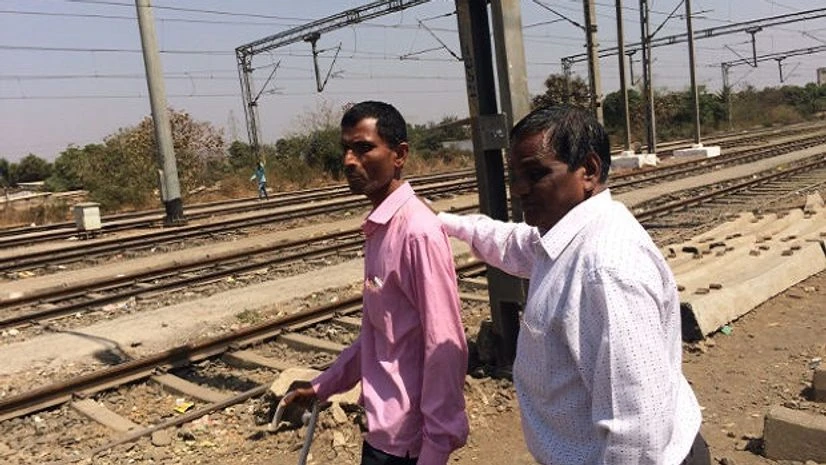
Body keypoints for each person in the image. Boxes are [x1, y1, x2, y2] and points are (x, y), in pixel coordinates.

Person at [438, 106, 708, 465]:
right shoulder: (567, 233)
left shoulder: (606, 269)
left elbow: (637, 436)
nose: (518, 189)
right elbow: (512, 244)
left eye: (535, 174)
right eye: (514, 175)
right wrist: (443, 222)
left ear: (589, 171)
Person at [283, 101, 469, 465]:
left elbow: (445, 345)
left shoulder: (416, 232)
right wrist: (324, 384)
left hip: (408, 444)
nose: (350, 160)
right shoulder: (380, 229)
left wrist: (435, 450)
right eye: (346, 149)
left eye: (364, 148)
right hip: (383, 432)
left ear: (399, 155)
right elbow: (378, 337)